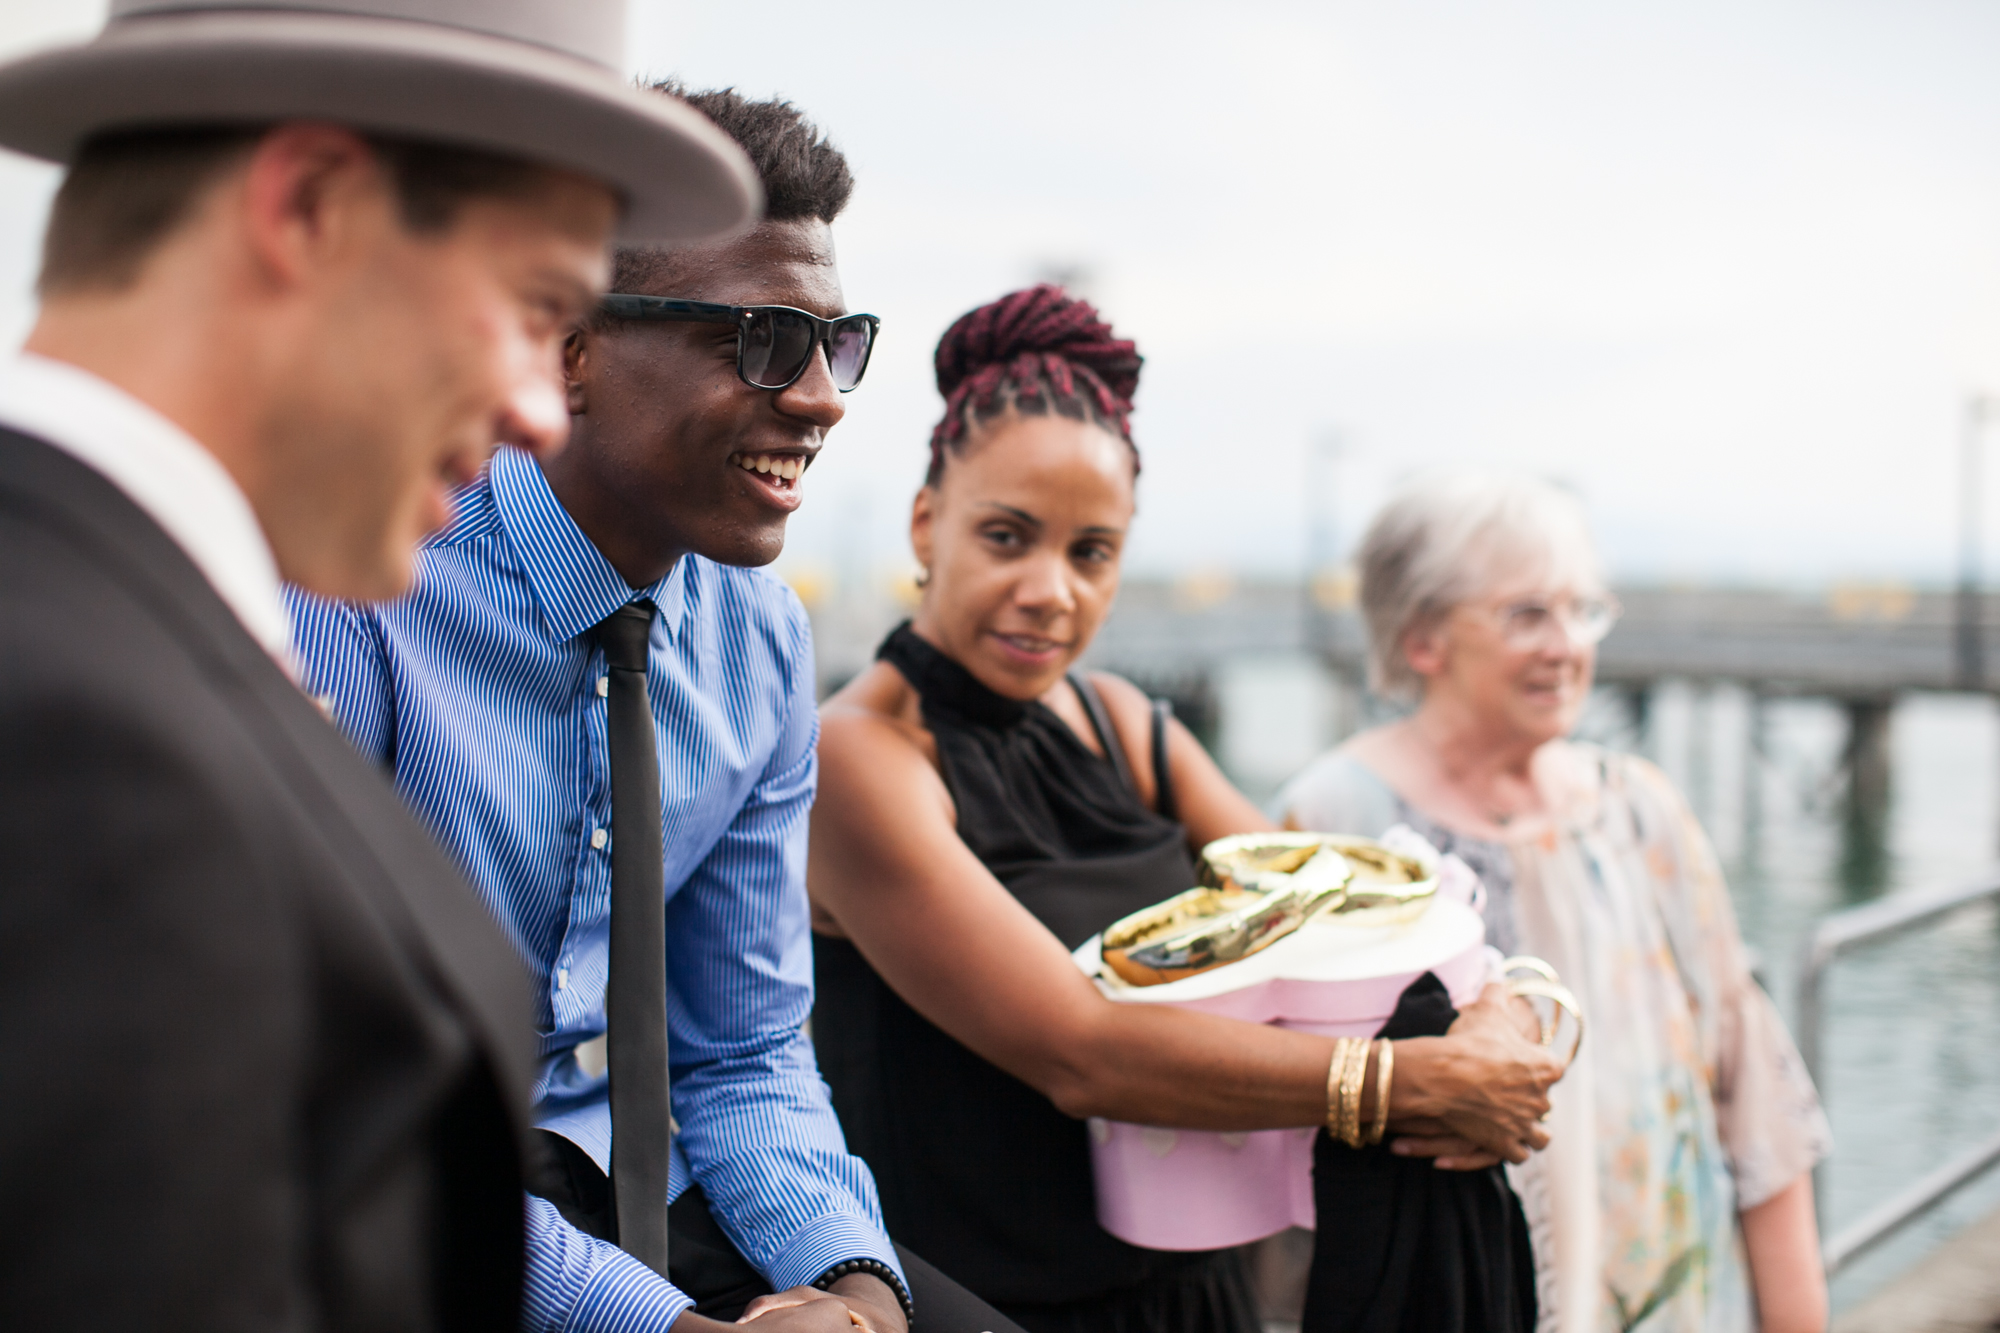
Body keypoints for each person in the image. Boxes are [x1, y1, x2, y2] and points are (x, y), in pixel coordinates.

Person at [0, 2, 758, 1330]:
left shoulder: (103, 644)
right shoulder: (86, 742)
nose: (540, 405)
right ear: (310, 206)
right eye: (536, 309)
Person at [290, 85, 1020, 1333]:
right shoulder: (359, 596)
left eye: (835, 343)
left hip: (646, 1168)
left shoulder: (759, 640)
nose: (823, 399)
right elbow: (329, 1104)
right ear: (567, 344)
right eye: (763, 342)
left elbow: (743, 1052)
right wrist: (667, 1330)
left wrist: (853, 1287)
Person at [807, 285, 1567, 1333]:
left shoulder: (1122, 724)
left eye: (1089, 552)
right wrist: (1405, 1084)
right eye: (1006, 537)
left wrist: (1501, 1003)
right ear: (926, 523)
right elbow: (1080, 1051)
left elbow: (1338, 909)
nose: (1050, 591)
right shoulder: (862, 758)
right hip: (987, 1304)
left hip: (1200, 1293)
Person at [1279, 473, 1833, 1333]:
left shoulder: (1639, 809)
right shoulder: (1335, 820)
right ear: (1423, 637)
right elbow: (1290, 1122)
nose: (1568, 644)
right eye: (1528, 614)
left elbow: (1753, 1089)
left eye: (1584, 610)